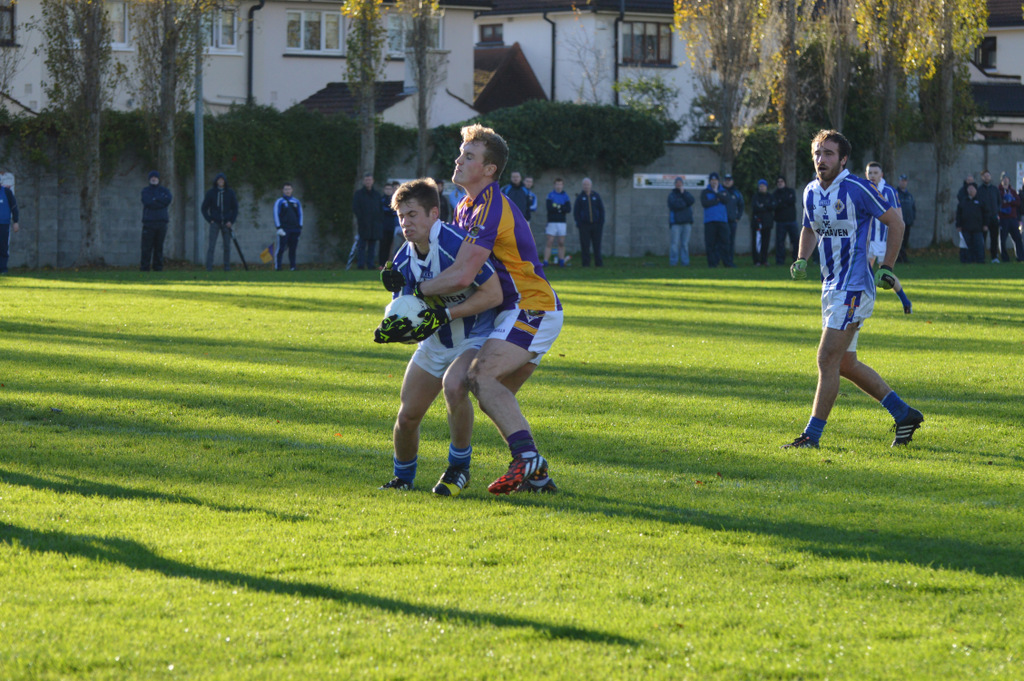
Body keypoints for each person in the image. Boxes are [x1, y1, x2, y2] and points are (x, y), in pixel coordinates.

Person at [403, 123, 563, 495]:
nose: (458, 160)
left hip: (531, 307)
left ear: (489, 170)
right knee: (492, 393)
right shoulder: (465, 205)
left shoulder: (490, 205)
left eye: (469, 156)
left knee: (482, 379)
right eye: (461, 153)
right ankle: (537, 477)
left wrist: (416, 291)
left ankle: (525, 461)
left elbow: (463, 274)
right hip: (512, 311)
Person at [785, 129, 922, 449]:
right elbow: (808, 227)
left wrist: (887, 266)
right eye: (818, 153)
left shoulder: (858, 188)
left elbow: (896, 223)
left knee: (825, 358)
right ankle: (903, 414)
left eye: (829, 153)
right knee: (845, 363)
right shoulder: (810, 192)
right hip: (830, 287)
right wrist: (802, 257)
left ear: (843, 159)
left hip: (855, 287)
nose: (821, 159)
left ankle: (811, 437)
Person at [374, 178, 503, 496]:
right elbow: (410, 313)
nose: (406, 223)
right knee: (407, 416)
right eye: (401, 216)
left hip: (474, 337)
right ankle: (402, 477)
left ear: (434, 213)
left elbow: (494, 294)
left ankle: (459, 468)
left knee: (454, 385)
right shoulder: (403, 260)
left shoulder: (458, 244)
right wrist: (394, 329)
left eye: (413, 214)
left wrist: (445, 314)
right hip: (434, 344)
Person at [864, 162, 901, 269]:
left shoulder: (889, 192)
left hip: (884, 240)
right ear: (866, 174)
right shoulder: (863, 191)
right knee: (865, 272)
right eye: (870, 173)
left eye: (876, 173)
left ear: (881, 175)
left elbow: (899, 217)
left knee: (885, 273)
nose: (872, 176)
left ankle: (898, 287)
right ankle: (870, 287)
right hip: (868, 239)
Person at [201, 173, 239, 272]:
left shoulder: (230, 193)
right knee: (211, 246)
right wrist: (210, 220)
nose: (221, 182)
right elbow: (204, 208)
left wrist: (231, 221)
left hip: (226, 223)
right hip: (215, 223)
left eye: (222, 180)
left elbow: (235, 208)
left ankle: (227, 267)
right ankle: (209, 267)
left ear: (225, 182)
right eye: (219, 180)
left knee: (227, 246)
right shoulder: (211, 193)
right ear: (216, 181)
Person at [140, 170, 172, 272]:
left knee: (159, 247)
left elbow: (167, 200)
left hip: (161, 223)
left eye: (156, 177)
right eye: (152, 178)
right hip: (149, 223)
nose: (154, 179)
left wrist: (155, 200)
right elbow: (148, 202)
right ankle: (144, 268)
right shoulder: (145, 191)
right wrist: (159, 200)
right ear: (149, 179)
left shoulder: (165, 190)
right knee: (147, 247)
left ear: (158, 179)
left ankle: (158, 267)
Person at [352, 173, 383, 270]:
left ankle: (370, 264)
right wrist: (361, 219)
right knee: (362, 245)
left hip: (374, 224)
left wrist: (378, 221)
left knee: (372, 246)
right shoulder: (358, 194)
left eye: (369, 180)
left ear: (373, 181)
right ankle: (360, 264)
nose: (368, 182)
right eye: (366, 180)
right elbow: (356, 208)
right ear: (363, 181)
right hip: (363, 224)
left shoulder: (377, 195)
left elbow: (380, 209)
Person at [700, 171, 732, 267]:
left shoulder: (723, 191)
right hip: (710, 221)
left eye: (715, 180)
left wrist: (716, 193)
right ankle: (712, 263)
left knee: (725, 243)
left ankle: (727, 263)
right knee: (710, 244)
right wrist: (717, 200)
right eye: (712, 180)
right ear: (710, 181)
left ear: (718, 181)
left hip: (722, 221)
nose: (714, 182)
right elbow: (705, 204)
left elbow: (726, 200)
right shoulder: (705, 192)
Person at [573, 178, 605, 267]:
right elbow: (576, 212)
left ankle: (598, 263)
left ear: (591, 185)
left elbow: (601, 210)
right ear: (582, 186)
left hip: (596, 225)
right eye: (584, 185)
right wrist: (579, 223)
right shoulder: (580, 197)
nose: (586, 186)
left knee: (597, 245)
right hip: (584, 225)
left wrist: (601, 222)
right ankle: (586, 264)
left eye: (588, 185)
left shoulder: (596, 196)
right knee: (585, 245)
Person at [273, 182, 303, 271]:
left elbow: (300, 214)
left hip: (295, 229)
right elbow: (276, 214)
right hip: (284, 229)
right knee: (281, 248)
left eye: (289, 189)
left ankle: (293, 267)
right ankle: (278, 267)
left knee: (293, 249)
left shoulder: (296, 202)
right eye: (286, 189)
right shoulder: (280, 201)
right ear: (283, 190)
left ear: (292, 190)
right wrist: (279, 227)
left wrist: (300, 226)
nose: (287, 191)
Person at [667, 176, 695, 266]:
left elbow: (691, 201)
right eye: (677, 183)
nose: (678, 184)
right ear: (675, 184)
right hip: (676, 223)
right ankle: (673, 262)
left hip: (687, 223)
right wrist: (685, 204)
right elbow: (675, 205)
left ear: (683, 184)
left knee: (685, 245)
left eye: (680, 182)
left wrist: (683, 194)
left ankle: (685, 262)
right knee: (674, 244)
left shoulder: (686, 194)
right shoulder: (672, 195)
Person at [956, 183, 988, 263]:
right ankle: (966, 260)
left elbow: (986, 213)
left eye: (972, 188)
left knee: (979, 245)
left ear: (976, 190)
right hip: (966, 228)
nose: (971, 190)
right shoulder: (963, 201)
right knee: (966, 245)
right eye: (969, 189)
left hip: (978, 228)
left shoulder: (981, 201)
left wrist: (985, 224)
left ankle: (980, 260)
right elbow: (958, 214)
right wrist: (958, 225)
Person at [544, 178, 572, 267]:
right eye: (557, 184)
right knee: (550, 241)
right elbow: (549, 208)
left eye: (560, 184)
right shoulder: (550, 195)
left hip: (562, 222)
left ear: (562, 185)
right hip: (552, 221)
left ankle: (561, 261)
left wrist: (557, 207)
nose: (558, 186)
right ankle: (545, 262)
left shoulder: (565, 196)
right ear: (554, 185)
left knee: (561, 242)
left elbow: (568, 209)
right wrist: (561, 208)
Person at [773, 175, 799, 265]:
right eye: (778, 182)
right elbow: (775, 205)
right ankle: (780, 261)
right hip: (780, 222)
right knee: (780, 242)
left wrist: (781, 203)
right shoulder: (775, 193)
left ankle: (796, 259)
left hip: (792, 220)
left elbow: (792, 201)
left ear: (784, 183)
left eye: (781, 181)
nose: (780, 183)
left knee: (795, 241)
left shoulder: (790, 191)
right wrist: (784, 203)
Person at [976, 170, 1001, 262]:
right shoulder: (979, 190)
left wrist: (997, 211)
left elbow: (999, 202)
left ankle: (994, 257)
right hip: (984, 219)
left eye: (988, 176)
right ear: (982, 177)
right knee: (982, 239)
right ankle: (981, 257)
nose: (987, 177)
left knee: (994, 239)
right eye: (985, 176)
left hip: (994, 218)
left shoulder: (995, 189)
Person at [997, 174, 1023, 262]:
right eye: (1004, 179)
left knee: (1017, 238)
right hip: (1003, 218)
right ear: (1001, 180)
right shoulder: (998, 191)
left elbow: (1018, 202)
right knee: (1002, 240)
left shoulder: (1012, 191)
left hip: (1013, 218)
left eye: (1007, 179)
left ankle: (1020, 257)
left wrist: (1010, 201)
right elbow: (999, 202)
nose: (1005, 180)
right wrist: (1005, 203)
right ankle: (1005, 258)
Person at [750, 179, 775, 266]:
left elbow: (772, 206)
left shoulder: (770, 196)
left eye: (763, 186)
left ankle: (764, 259)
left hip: (767, 224)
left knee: (765, 242)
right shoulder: (755, 197)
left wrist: (763, 206)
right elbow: (755, 207)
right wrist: (765, 207)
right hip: (757, 224)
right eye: (760, 186)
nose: (762, 188)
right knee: (757, 243)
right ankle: (757, 260)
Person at [721, 173, 744, 265]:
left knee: (730, 242)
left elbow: (741, 205)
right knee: (722, 241)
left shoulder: (736, 193)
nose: (727, 182)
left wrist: (738, 217)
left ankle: (729, 260)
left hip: (732, 221)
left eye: (729, 180)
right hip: (721, 221)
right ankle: (721, 260)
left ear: (732, 181)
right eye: (726, 180)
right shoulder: (720, 191)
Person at [0, 181, 20, 275]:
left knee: (3, 246)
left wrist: (15, 221)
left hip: (4, 224)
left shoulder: (7, 192)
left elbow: (14, 207)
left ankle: (3, 269)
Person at [895, 174, 915, 264]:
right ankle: (901, 258)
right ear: (899, 181)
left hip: (908, 223)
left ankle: (902, 257)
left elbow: (913, 208)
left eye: (905, 181)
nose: (903, 182)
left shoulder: (909, 195)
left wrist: (912, 218)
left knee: (905, 241)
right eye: (902, 180)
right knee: (899, 241)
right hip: (899, 223)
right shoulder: (896, 194)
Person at [379, 181, 399, 267]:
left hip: (392, 226)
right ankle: (381, 263)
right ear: (384, 190)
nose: (388, 191)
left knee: (390, 246)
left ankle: (387, 263)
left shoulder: (394, 200)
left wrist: (390, 212)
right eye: (386, 189)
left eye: (390, 189)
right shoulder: (381, 199)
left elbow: (395, 212)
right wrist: (390, 211)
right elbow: (383, 211)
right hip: (383, 226)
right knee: (383, 245)